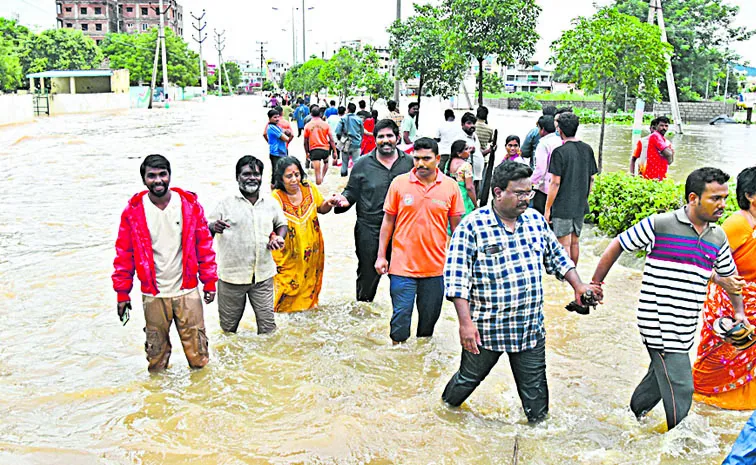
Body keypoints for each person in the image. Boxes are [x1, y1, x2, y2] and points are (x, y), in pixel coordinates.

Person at [442, 161, 600, 423]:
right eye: (519, 193)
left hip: (528, 328)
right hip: (486, 329)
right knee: (466, 381)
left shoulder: (536, 222)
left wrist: (579, 286)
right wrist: (465, 324)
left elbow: (557, 258)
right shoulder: (472, 227)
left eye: (529, 192)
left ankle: (537, 443)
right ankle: (441, 416)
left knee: (537, 401)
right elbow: (458, 279)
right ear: (497, 192)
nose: (526, 199)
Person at [591, 167, 745, 431]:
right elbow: (619, 244)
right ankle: (678, 447)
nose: (723, 204)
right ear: (694, 198)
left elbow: (730, 278)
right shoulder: (660, 224)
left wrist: (739, 314)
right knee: (682, 385)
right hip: (658, 320)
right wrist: (595, 284)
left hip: (686, 323)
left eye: (724, 197)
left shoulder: (717, 236)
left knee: (658, 378)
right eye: (715, 198)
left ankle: (630, 420)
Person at [112, 154, 217, 372]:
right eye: (152, 176)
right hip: (153, 294)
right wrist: (122, 293)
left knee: (198, 356)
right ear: (144, 180)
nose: (158, 180)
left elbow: (204, 246)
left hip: (187, 291)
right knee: (156, 359)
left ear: (170, 176)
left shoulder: (188, 205)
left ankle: (200, 401)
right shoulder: (133, 211)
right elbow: (124, 254)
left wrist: (209, 282)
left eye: (162, 174)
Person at [375, 137, 466, 343]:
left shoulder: (451, 187)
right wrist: (381, 256)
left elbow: (457, 229)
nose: (421, 164)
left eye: (426, 158)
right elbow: (388, 221)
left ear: (438, 159)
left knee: (427, 327)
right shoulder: (399, 183)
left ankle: (420, 366)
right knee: (400, 322)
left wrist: (459, 265)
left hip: (435, 269)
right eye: (416, 158)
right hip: (401, 267)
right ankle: (399, 362)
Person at [694, 166, 756, 410]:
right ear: (751, 195)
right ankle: (702, 399)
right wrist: (724, 282)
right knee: (718, 358)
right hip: (731, 304)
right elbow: (701, 261)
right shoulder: (737, 224)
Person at [333, 119, 414, 302]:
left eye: (389, 136)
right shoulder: (362, 164)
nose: (385, 140)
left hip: (402, 231)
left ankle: (399, 318)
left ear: (397, 138)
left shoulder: (409, 164)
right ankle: (362, 316)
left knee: (402, 279)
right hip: (368, 230)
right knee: (367, 276)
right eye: (381, 136)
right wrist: (343, 201)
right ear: (374, 139)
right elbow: (351, 192)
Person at [209, 156, 288, 334]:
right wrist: (214, 226)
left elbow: (282, 224)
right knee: (228, 331)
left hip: (263, 276)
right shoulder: (225, 203)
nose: (252, 178)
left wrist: (279, 238)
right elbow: (205, 230)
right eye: (246, 174)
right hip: (232, 278)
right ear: (238, 177)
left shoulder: (270, 203)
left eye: (256, 174)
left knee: (268, 330)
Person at [270, 157, 339, 312]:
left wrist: (329, 202)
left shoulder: (309, 188)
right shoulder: (276, 197)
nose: (294, 179)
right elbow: (268, 225)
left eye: (297, 174)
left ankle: (305, 324)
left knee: (309, 288)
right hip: (287, 256)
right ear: (280, 178)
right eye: (289, 176)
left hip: (312, 253)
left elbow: (321, 208)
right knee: (285, 291)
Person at [544, 112, 598, 265]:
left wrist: (547, 209)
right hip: (580, 205)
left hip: (562, 205)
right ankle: (574, 277)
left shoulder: (559, 152)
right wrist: (584, 199)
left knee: (564, 244)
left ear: (560, 129)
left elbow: (555, 183)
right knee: (575, 242)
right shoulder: (587, 149)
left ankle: (565, 278)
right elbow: (591, 178)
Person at [457, 112, 493, 198]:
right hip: (467, 177)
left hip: (477, 176)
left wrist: (489, 150)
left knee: (475, 198)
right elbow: (457, 157)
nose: (472, 126)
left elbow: (478, 153)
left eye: (473, 123)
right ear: (462, 124)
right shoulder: (460, 138)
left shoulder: (474, 136)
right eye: (469, 123)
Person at [530, 115, 560, 215]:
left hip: (545, 189)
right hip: (559, 187)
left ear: (542, 129)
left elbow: (540, 170)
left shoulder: (543, 144)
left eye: (538, 128)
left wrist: (530, 182)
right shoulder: (560, 141)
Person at [444, 140, 477, 222]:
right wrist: (475, 205)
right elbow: (469, 187)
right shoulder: (466, 166)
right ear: (459, 153)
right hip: (463, 198)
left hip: (450, 196)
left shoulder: (448, 163)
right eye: (466, 149)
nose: (469, 151)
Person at [304, 106, 337, 185]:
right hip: (325, 150)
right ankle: (322, 178)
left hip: (314, 150)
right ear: (320, 114)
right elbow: (331, 139)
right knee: (326, 163)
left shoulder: (308, 126)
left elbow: (305, 142)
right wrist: (335, 151)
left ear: (311, 114)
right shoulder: (325, 125)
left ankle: (319, 183)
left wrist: (307, 152)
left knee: (317, 175)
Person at [634, 115, 674, 180]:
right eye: (661, 125)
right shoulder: (655, 136)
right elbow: (669, 154)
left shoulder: (665, 141)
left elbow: (670, 161)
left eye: (666, 126)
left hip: (661, 175)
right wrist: (668, 153)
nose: (664, 128)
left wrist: (668, 153)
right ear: (656, 126)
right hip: (651, 175)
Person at [335, 103, 364, 177]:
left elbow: (338, 131)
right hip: (356, 144)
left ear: (347, 109)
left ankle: (343, 177)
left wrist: (340, 140)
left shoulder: (343, 118)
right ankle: (355, 179)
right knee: (356, 162)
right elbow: (362, 132)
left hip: (345, 144)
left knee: (344, 162)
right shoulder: (359, 119)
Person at [266, 109, 292, 184]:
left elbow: (287, 132)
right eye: (275, 117)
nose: (277, 119)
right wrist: (287, 134)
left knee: (281, 172)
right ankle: (274, 190)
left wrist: (287, 132)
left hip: (280, 152)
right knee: (276, 174)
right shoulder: (272, 127)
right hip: (276, 153)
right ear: (270, 118)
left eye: (278, 117)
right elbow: (286, 138)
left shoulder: (276, 126)